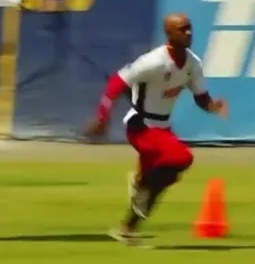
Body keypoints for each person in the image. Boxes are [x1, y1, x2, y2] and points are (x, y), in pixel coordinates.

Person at [84, 13, 228, 245]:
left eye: (189, 28)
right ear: (169, 34)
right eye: (182, 29)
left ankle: (126, 229)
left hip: (162, 127)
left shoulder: (192, 64)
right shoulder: (153, 62)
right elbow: (116, 82)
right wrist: (102, 117)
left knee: (161, 182)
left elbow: (201, 97)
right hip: (141, 125)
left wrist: (212, 106)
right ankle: (142, 185)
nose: (189, 33)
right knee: (181, 157)